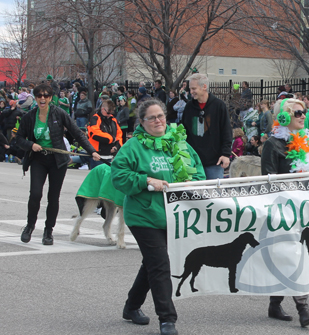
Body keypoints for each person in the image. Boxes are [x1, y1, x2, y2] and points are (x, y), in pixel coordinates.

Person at [111, 98, 205, 335]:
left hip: (173, 217)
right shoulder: (133, 147)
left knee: (153, 263)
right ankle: (167, 319)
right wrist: (146, 180)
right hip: (144, 216)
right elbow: (118, 176)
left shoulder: (179, 142)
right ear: (141, 122)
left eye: (160, 115)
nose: (157, 121)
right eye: (151, 118)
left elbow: (198, 172)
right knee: (161, 264)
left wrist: (190, 185)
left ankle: (131, 307)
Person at [261, 98, 309, 328]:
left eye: (303, 112)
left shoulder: (308, 140)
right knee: (293, 256)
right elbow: (267, 180)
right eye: (297, 112)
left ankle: (274, 303)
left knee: (291, 255)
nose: (302, 116)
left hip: (306, 207)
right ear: (284, 117)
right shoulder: (273, 144)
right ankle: (303, 309)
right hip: (284, 209)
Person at [16, 84, 100, 245]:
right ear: (35, 97)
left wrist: (91, 151)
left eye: (46, 95)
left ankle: (48, 231)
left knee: (53, 197)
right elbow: (18, 139)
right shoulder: (29, 117)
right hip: (38, 159)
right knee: (35, 194)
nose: (42, 98)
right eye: (39, 95)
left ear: (51, 98)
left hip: (57, 160)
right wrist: (30, 145)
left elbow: (77, 132)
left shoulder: (59, 113)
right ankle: (29, 226)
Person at [182, 73, 232, 179]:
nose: (191, 92)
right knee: (195, 195)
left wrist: (226, 154)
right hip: (193, 162)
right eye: (190, 89)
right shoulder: (189, 107)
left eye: (193, 88)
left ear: (204, 87)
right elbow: (184, 132)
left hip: (214, 162)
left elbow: (226, 131)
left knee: (214, 194)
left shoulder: (219, 106)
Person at [88, 100, 123, 169]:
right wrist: (111, 139)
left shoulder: (113, 120)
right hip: (97, 155)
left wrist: (116, 146)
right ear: (102, 109)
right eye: (108, 112)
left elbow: (119, 135)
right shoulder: (95, 118)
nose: (109, 115)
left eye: (111, 112)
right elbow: (94, 133)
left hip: (109, 155)